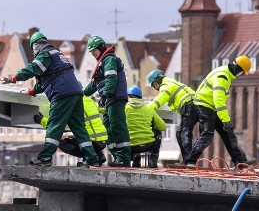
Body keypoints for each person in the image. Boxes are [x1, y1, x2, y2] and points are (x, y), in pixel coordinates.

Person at [0, 32, 101, 167]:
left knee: (54, 126)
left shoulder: (45, 54)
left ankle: (45, 157)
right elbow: (47, 80)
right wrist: (33, 91)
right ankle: (92, 158)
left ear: (35, 46)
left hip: (62, 94)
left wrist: (14, 78)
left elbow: (33, 69)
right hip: (76, 93)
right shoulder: (57, 54)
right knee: (79, 128)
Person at [182, 55, 255, 166]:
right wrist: (226, 120)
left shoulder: (225, 73)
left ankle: (240, 162)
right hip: (204, 105)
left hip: (211, 106)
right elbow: (219, 101)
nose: (241, 76)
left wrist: (226, 123)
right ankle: (190, 161)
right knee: (208, 134)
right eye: (242, 73)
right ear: (238, 69)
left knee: (227, 133)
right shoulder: (223, 77)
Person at [82, 36, 131, 167]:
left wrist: (106, 95)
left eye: (94, 51)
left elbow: (111, 79)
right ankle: (117, 156)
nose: (93, 55)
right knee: (108, 129)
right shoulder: (103, 63)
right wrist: (81, 94)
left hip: (115, 98)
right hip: (110, 99)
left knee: (117, 126)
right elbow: (93, 85)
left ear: (100, 48)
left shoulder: (109, 59)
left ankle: (124, 158)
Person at [34, 95, 108, 165]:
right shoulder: (89, 100)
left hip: (91, 140)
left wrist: (42, 120)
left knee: (63, 144)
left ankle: (90, 158)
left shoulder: (71, 104)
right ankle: (99, 155)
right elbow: (103, 109)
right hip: (102, 140)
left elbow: (59, 124)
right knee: (78, 138)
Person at [147, 68, 200, 161]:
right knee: (180, 133)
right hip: (193, 105)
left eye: (154, 84)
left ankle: (189, 161)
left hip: (189, 106)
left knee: (184, 133)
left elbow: (160, 99)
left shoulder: (165, 85)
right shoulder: (171, 82)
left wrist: (146, 109)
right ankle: (187, 160)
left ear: (158, 80)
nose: (155, 88)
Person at [125, 85, 166, 168]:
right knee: (158, 131)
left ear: (128, 96)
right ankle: (153, 159)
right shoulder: (148, 109)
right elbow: (162, 126)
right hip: (148, 145)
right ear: (140, 97)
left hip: (130, 145)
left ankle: (134, 156)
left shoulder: (124, 108)